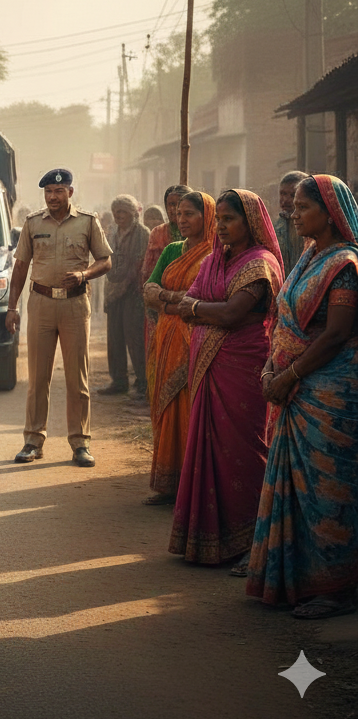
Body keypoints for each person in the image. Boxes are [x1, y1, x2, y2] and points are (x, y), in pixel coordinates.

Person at [248, 175, 358, 618]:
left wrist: (288, 373)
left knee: (327, 492)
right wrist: (274, 367)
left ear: (329, 214)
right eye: (292, 206)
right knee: (296, 486)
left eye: (302, 207)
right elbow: (288, 320)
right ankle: (296, 578)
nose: (293, 214)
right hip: (295, 385)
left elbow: (335, 335)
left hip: (329, 392)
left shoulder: (344, 264)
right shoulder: (311, 257)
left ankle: (336, 588)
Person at [170, 189, 283, 571]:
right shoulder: (213, 261)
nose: (221, 226)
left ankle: (254, 541)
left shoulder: (260, 263)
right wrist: (202, 310)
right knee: (210, 447)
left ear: (249, 222)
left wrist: (199, 309)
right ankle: (212, 541)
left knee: (245, 448)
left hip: (243, 366)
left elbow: (234, 313)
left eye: (229, 219)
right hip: (210, 365)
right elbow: (191, 301)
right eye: (218, 219)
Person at [7, 169, 112, 467]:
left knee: (77, 377)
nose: (52, 197)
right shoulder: (32, 223)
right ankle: (33, 440)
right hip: (40, 303)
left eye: (58, 191)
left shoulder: (88, 222)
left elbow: (105, 260)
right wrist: (12, 308)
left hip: (75, 306)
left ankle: (80, 443)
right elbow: (20, 268)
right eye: (48, 192)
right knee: (38, 378)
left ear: (70, 192)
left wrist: (84, 273)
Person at [140, 191, 215, 504]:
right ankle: (168, 482)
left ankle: (192, 485)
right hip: (168, 337)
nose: (181, 220)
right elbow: (148, 290)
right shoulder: (171, 250)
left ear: (206, 216)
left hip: (200, 339)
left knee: (195, 408)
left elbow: (209, 299)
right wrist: (177, 300)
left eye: (189, 214)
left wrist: (169, 299)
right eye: (179, 214)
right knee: (167, 407)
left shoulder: (216, 253)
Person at [101, 194, 150, 398]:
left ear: (132, 213)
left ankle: (142, 382)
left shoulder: (142, 233)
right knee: (114, 337)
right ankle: (119, 381)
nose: (119, 215)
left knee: (134, 337)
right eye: (116, 212)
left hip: (133, 292)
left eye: (123, 211)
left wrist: (125, 285)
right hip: (113, 290)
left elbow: (140, 262)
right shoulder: (112, 231)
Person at [141, 185, 188, 359]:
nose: (173, 209)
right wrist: (154, 295)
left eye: (178, 204)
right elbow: (148, 270)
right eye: (169, 204)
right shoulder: (158, 233)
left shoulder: (202, 234)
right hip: (160, 301)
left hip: (191, 304)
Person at [273, 170, 308, 278]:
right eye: (283, 194)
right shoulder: (277, 226)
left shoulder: (311, 226)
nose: (286, 200)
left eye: (292, 195)